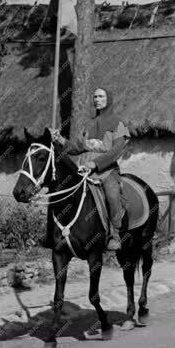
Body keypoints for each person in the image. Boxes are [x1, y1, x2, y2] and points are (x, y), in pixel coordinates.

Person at [51, 87, 129, 251]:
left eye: (101, 96)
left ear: (109, 99)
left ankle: (115, 235)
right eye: (95, 97)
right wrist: (60, 140)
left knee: (112, 195)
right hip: (83, 171)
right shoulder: (89, 125)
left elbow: (117, 150)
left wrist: (95, 164)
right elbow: (75, 148)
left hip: (106, 171)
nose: (97, 100)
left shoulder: (118, 124)